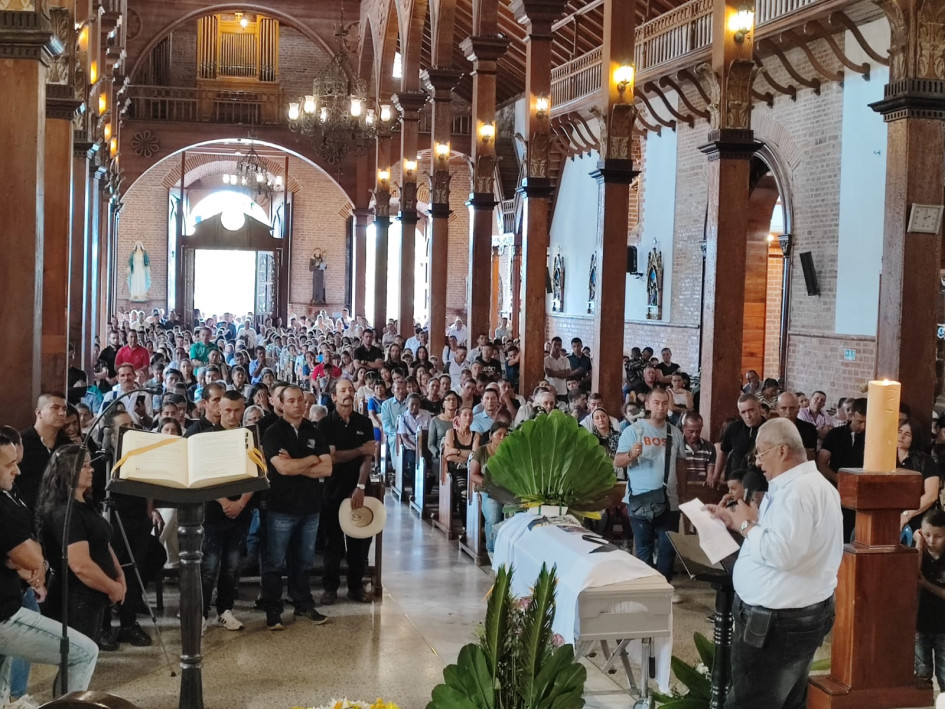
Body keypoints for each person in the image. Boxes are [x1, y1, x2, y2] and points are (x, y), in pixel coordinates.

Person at [707, 418, 842, 709]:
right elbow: (780, 537)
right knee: (784, 700)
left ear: (782, 451)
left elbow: (781, 553)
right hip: (792, 616)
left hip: (777, 624)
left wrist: (744, 524)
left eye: (761, 453)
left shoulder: (798, 493)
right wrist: (737, 520)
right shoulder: (809, 484)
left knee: (752, 701)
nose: (756, 462)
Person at [0, 433, 99, 699]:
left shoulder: (9, 496)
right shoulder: (3, 505)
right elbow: (32, 557)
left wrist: (18, 560)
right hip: (4, 615)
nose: (17, 470)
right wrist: (29, 558)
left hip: (12, 596)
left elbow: (18, 557)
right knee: (83, 653)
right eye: (9, 464)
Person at [35, 446, 126, 649]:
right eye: (85, 466)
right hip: (76, 599)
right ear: (68, 472)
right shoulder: (65, 514)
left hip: (92, 596)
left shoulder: (83, 504)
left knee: (86, 656)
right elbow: (80, 565)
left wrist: (119, 577)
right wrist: (112, 588)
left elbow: (103, 543)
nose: (91, 470)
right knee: (78, 657)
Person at [260, 385, 333, 630]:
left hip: (310, 507)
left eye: (300, 400)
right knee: (275, 562)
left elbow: (327, 468)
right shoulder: (272, 432)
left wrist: (300, 463)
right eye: (290, 401)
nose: (297, 405)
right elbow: (283, 469)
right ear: (280, 404)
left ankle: (303, 603)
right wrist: (312, 459)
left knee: (303, 561)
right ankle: (273, 609)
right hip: (281, 507)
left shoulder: (315, 431)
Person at [614, 388, 687, 586]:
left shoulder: (675, 433)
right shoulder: (632, 431)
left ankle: (664, 586)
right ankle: (645, 585)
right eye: (656, 403)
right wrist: (631, 455)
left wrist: (683, 494)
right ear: (647, 404)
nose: (660, 407)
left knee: (667, 546)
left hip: (669, 498)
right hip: (640, 498)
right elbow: (618, 462)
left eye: (665, 403)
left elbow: (681, 464)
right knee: (644, 547)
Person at [197, 392, 254, 633]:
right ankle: (200, 613)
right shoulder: (207, 437)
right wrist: (224, 502)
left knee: (232, 565)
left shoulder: (248, 436)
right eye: (227, 410)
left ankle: (225, 610)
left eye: (237, 410)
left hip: (241, 511)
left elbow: (255, 472)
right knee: (209, 566)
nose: (232, 415)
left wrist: (240, 503)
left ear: (243, 410)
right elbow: (203, 474)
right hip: (213, 511)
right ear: (219, 408)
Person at [317, 379, 377, 605]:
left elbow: (368, 457)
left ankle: (355, 586)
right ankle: (330, 588)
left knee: (357, 541)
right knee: (332, 542)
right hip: (333, 488)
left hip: (358, 487)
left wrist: (360, 486)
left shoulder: (364, 422)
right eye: (342, 390)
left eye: (351, 390)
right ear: (333, 396)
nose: (348, 393)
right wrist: (360, 449)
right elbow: (332, 457)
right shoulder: (325, 424)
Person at [915, 509, 945, 691]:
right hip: (920, 624)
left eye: (938, 536)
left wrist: (926, 584)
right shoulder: (920, 550)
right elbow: (913, 575)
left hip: (943, 627)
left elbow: (921, 582)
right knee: (921, 676)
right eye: (926, 535)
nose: (931, 541)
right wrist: (918, 543)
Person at [468, 422, 510, 554]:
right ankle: (492, 549)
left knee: (518, 514)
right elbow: (473, 475)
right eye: (499, 435)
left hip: (506, 490)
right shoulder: (481, 451)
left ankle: (506, 550)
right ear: (491, 436)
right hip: (487, 490)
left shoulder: (509, 453)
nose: (502, 438)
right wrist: (489, 485)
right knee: (493, 516)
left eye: (505, 435)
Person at [896, 418, 941, 535]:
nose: (902, 437)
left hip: (916, 519)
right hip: (889, 516)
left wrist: (907, 515)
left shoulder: (925, 461)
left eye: (907, 434)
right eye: (899, 432)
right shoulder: (886, 458)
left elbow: (931, 495)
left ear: (914, 438)